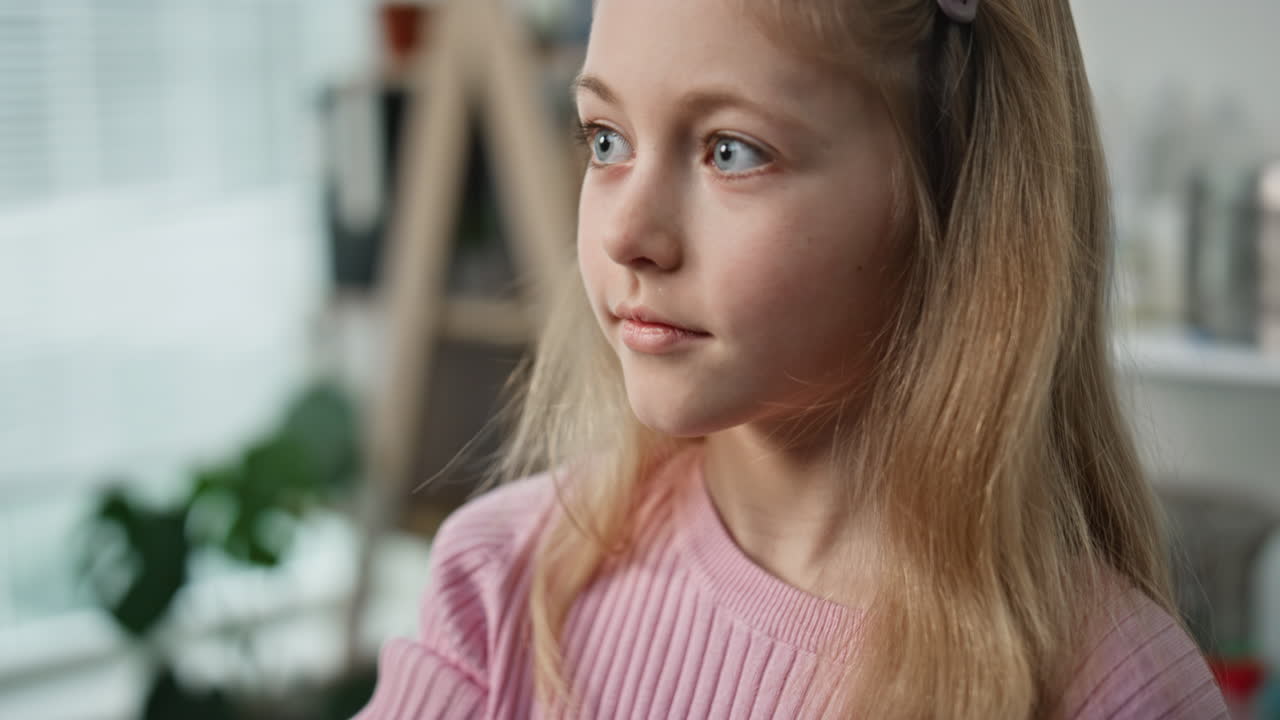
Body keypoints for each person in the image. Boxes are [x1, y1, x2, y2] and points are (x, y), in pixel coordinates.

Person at [354, 0, 1230, 717]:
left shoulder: (1113, 690)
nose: (626, 233)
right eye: (605, 139)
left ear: (952, 191)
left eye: (730, 152)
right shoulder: (501, 588)